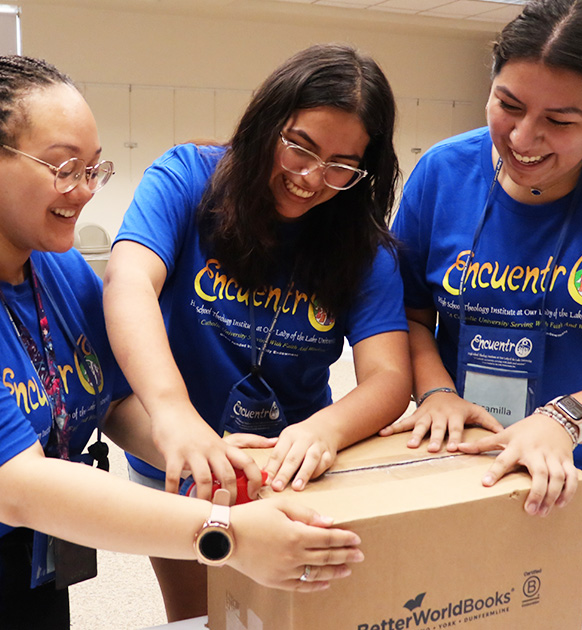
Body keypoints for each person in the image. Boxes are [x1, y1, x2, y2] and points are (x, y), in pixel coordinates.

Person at [0, 55, 366, 630]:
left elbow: (108, 399)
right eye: (64, 169)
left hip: (22, 577)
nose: (83, 192)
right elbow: (19, 488)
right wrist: (226, 533)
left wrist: (209, 457)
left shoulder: (52, 266)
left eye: (93, 169)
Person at [103, 43, 411, 620]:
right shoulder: (189, 178)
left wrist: (325, 430)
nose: (312, 177)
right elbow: (128, 282)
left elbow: (390, 376)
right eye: (300, 146)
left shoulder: (362, 247)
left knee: (295, 615)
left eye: (342, 164)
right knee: (204, 615)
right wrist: (174, 415)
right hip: (177, 455)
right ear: (268, 122)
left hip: (286, 471)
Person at [385, 0, 582, 535]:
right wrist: (436, 392)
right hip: (466, 457)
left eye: (559, 121)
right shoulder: (442, 172)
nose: (523, 139)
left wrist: (564, 420)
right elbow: (409, 316)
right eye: (509, 105)